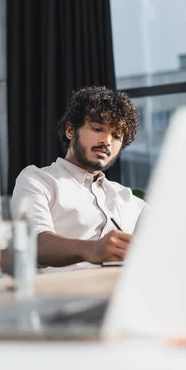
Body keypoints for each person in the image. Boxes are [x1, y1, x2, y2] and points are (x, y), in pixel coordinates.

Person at [11, 86, 147, 270]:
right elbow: (33, 243)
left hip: (121, 295)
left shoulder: (127, 198)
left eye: (116, 136)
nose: (106, 141)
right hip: (65, 296)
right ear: (70, 131)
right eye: (97, 128)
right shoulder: (38, 180)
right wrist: (91, 250)